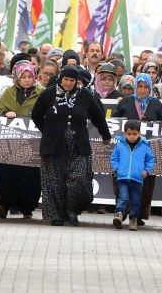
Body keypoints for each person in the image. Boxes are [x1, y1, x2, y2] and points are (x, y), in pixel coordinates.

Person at [31, 65, 111, 226]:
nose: (68, 83)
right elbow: (36, 114)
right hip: (53, 146)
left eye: (72, 80)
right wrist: (47, 131)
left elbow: (98, 116)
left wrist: (106, 134)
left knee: (79, 179)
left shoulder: (85, 95)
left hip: (78, 145)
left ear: (76, 81)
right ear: (61, 79)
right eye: (66, 79)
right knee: (54, 181)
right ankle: (57, 215)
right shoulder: (48, 94)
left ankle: (72, 210)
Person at [112, 73, 162, 225]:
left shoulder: (156, 104)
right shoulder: (126, 102)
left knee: (144, 183)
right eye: (140, 87)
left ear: (150, 88)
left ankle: (138, 215)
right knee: (121, 183)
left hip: (145, 150)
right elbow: (116, 121)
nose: (142, 90)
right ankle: (121, 212)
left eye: (146, 87)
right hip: (125, 149)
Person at [0, 60, 43, 219]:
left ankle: (27, 208)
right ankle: (5, 205)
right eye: (23, 76)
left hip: (33, 143)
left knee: (31, 176)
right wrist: (6, 113)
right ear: (17, 77)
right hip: (11, 142)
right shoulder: (9, 92)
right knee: (9, 174)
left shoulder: (41, 92)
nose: (27, 79)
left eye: (30, 76)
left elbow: (47, 111)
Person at [110, 120, 156, 231]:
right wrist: (117, 168)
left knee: (136, 200)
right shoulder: (120, 145)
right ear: (124, 133)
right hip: (123, 178)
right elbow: (114, 158)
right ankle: (119, 215)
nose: (132, 137)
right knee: (123, 198)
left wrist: (147, 170)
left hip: (137, 179)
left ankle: (133, 219)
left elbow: (151, 159)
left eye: (135, 134)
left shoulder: (144, 146)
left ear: (139, 133)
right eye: (129, 134)